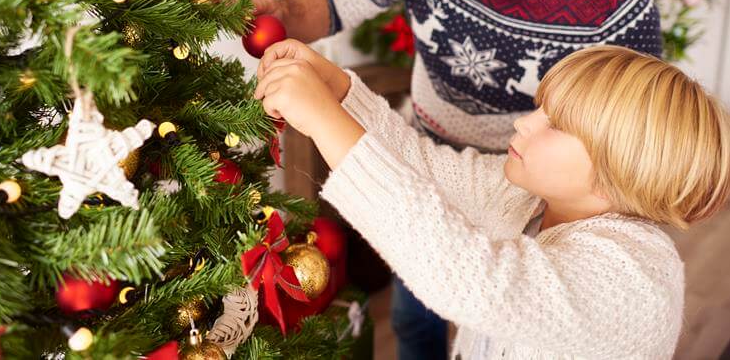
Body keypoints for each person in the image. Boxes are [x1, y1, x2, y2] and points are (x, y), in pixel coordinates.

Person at [225, 0, 660, 357]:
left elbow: (629, 154)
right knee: (417, 322)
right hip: (428, 162)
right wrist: (282, 15)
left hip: (531, 194)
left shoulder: (617, 11)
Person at [254, 38, 730, 359]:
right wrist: (337, 92)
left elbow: (471, 276)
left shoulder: (632, 278)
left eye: (555, 124)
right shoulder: (530, 197)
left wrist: (321, 119)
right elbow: (423, 167)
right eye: (540, 108)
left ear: (619, 172)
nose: (525, 123)